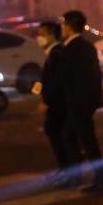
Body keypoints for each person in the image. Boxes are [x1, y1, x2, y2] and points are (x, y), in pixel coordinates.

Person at [59, 10, 103, 193]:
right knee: (72, 135)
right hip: (88, 101)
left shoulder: (71, 49)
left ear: (69, 26)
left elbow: (65, 77)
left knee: (86, 141)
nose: (62, 27)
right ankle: (83, 173)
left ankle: (100, 179)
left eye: (64, 23)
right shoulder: (87, 46)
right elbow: (94, 76)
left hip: (79, 102)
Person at [35, 21, 79, 188]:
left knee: (60, 138)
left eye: (42, 33)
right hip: (56, 104)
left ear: (52, 34)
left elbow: (58, 81)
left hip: (58, 105)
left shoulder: (57, 53)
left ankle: (69, 173)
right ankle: (64, 171)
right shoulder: (52, 53)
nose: (39, 37)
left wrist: (47, 101)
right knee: (56, 136)